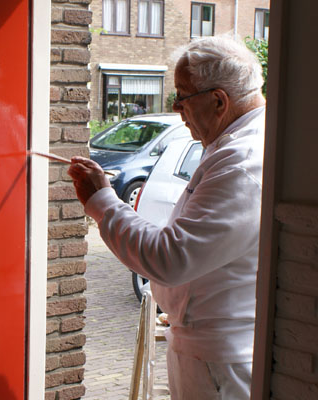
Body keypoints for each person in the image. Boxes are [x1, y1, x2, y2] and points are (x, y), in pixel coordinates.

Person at [69, 35, 266, 399]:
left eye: (181, 96)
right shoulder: (231, 146)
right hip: (205, 349)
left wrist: (104, 202)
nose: (176, 107)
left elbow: (170, 258)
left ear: (219, 101)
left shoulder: (242, 161)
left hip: (218, 360)